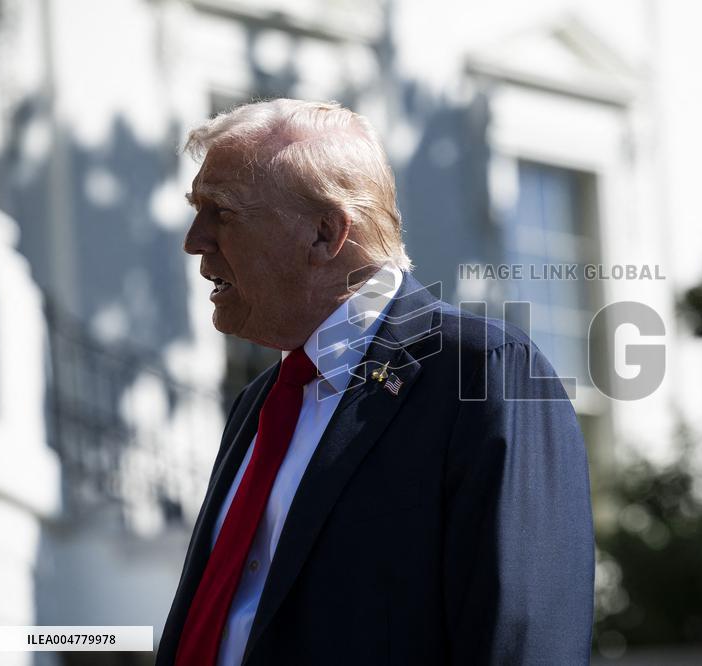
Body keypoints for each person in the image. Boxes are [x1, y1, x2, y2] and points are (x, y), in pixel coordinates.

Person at [155, 98, 595, 666]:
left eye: (222, 212)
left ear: (324, 233)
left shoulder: (482, 371)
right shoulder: (258, 405)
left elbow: (525, 641)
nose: (195, 239)